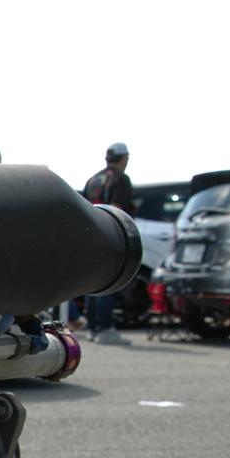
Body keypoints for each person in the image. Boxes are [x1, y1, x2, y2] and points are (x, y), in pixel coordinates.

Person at [83, 142, 134, 344]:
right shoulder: (121, 179)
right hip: (109, 237)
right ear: (124, 158)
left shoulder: (93, 179)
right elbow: (116, 210)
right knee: (109, 281)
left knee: (91, 283)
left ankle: (92, 326)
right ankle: (105, 328)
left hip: (89, 237)